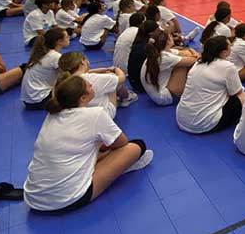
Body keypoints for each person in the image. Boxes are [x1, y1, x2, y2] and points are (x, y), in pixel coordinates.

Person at [22, 74, 153, 213]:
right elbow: (122, 143)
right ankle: (119, 168)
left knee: (96, 147)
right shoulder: (95, 114)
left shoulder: (53, 114)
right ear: (83, 98)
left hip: (34, 198)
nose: (92, 85)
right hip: (67, 199)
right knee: (136, 146)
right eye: (89, 85)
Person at [176, 36, 245, 134]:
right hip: (204, 123)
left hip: (182, 118)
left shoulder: (198, 63)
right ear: (224, 52)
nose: (231, 47)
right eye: (230, 45)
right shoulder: (228, 67)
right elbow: (237, 92)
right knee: (243, 96)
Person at [59, 52, 136, 118]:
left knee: (106, 78)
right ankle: (126, 98)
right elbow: (122, 78)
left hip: (84, 113)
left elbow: (88, 72)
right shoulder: (93, 78)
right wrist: (115, 69)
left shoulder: (66, 79)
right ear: (82, 61)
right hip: (105, 113)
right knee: (112, 77)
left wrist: (105, 69)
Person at [141, 30, 200, 106]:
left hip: (155, 93)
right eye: (170, 36)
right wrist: (195, 53)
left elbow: (186, 52)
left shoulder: (159, 52)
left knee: (182, 60)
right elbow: (194, 60)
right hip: (163, 98)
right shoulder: (164, 57)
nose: (172, 37)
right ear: (168, 42)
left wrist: (191, 52)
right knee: (183, 66)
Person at [21, 28, 70, 110]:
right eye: (67, 36)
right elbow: (71, 75)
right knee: (75, 89)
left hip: (29, 101)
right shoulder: (55, 56)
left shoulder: (43, 52)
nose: (69, 37)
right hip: (40, 100)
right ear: (59, 41)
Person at [127, 21, 159, 93]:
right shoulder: (148, 47)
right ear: (151, 33)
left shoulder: (139, 41)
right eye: (157, 31)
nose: (159, 32)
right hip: (142, 85)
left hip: (133, 82)